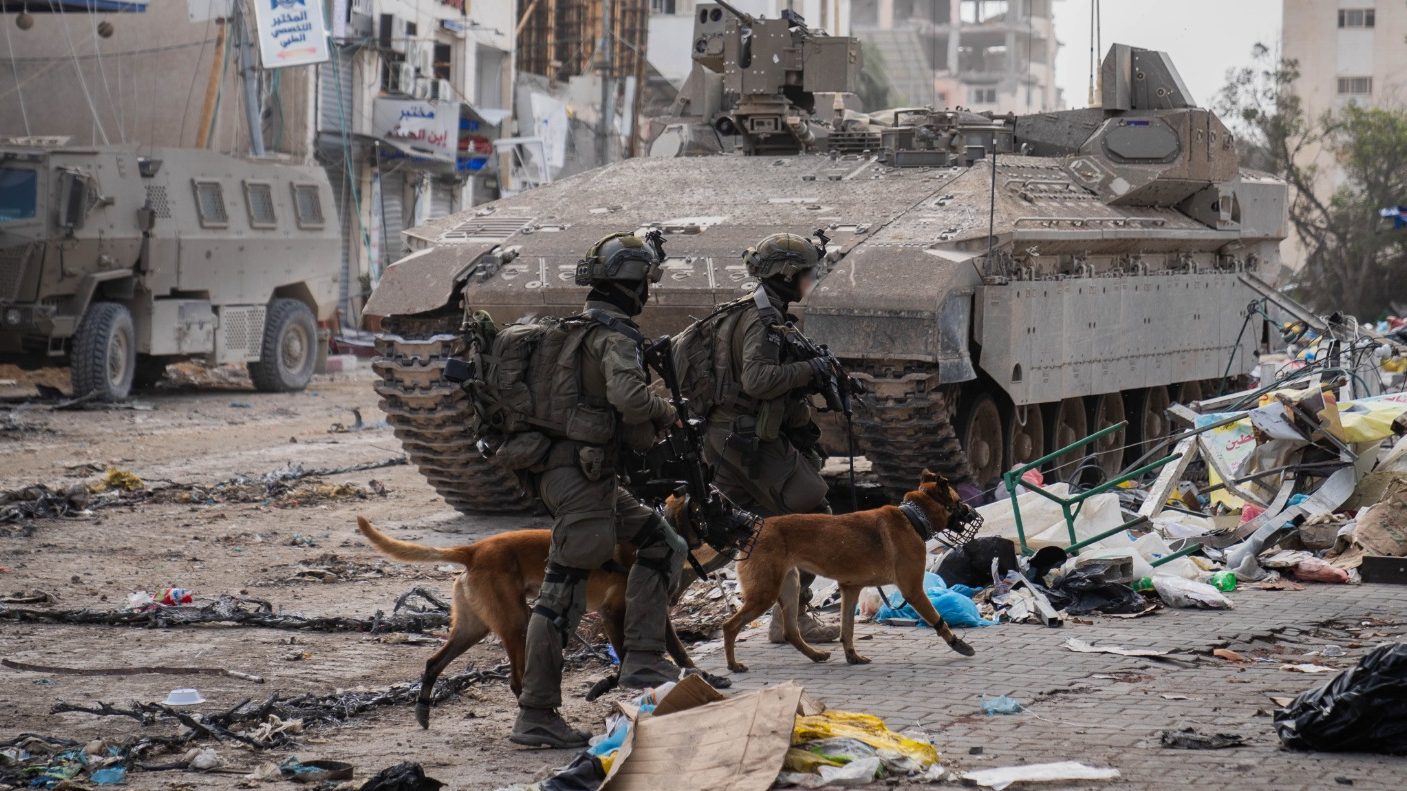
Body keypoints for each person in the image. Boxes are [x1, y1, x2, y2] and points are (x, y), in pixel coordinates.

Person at [512, 233, 687, 748]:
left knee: (661, 542)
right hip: (579, 479)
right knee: (561, 592)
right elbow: (631, 400)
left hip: (584, 474)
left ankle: (641, 662)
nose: (648, 294)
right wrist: (667, 412)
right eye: (645, 284)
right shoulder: (614, 337)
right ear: (631, 285)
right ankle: (536, 714)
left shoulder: (571, 329)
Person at [701, 232, 841, 644]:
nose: (809, 281)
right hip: (751, 443)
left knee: (730, 532)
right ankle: (792, 617)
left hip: (727, 438)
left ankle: (651, 604)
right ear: (786, 274)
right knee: (817, 519)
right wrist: (811, 370)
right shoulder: (762, 320)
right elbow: (758, 379)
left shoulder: (750, 310)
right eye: (806, 273)